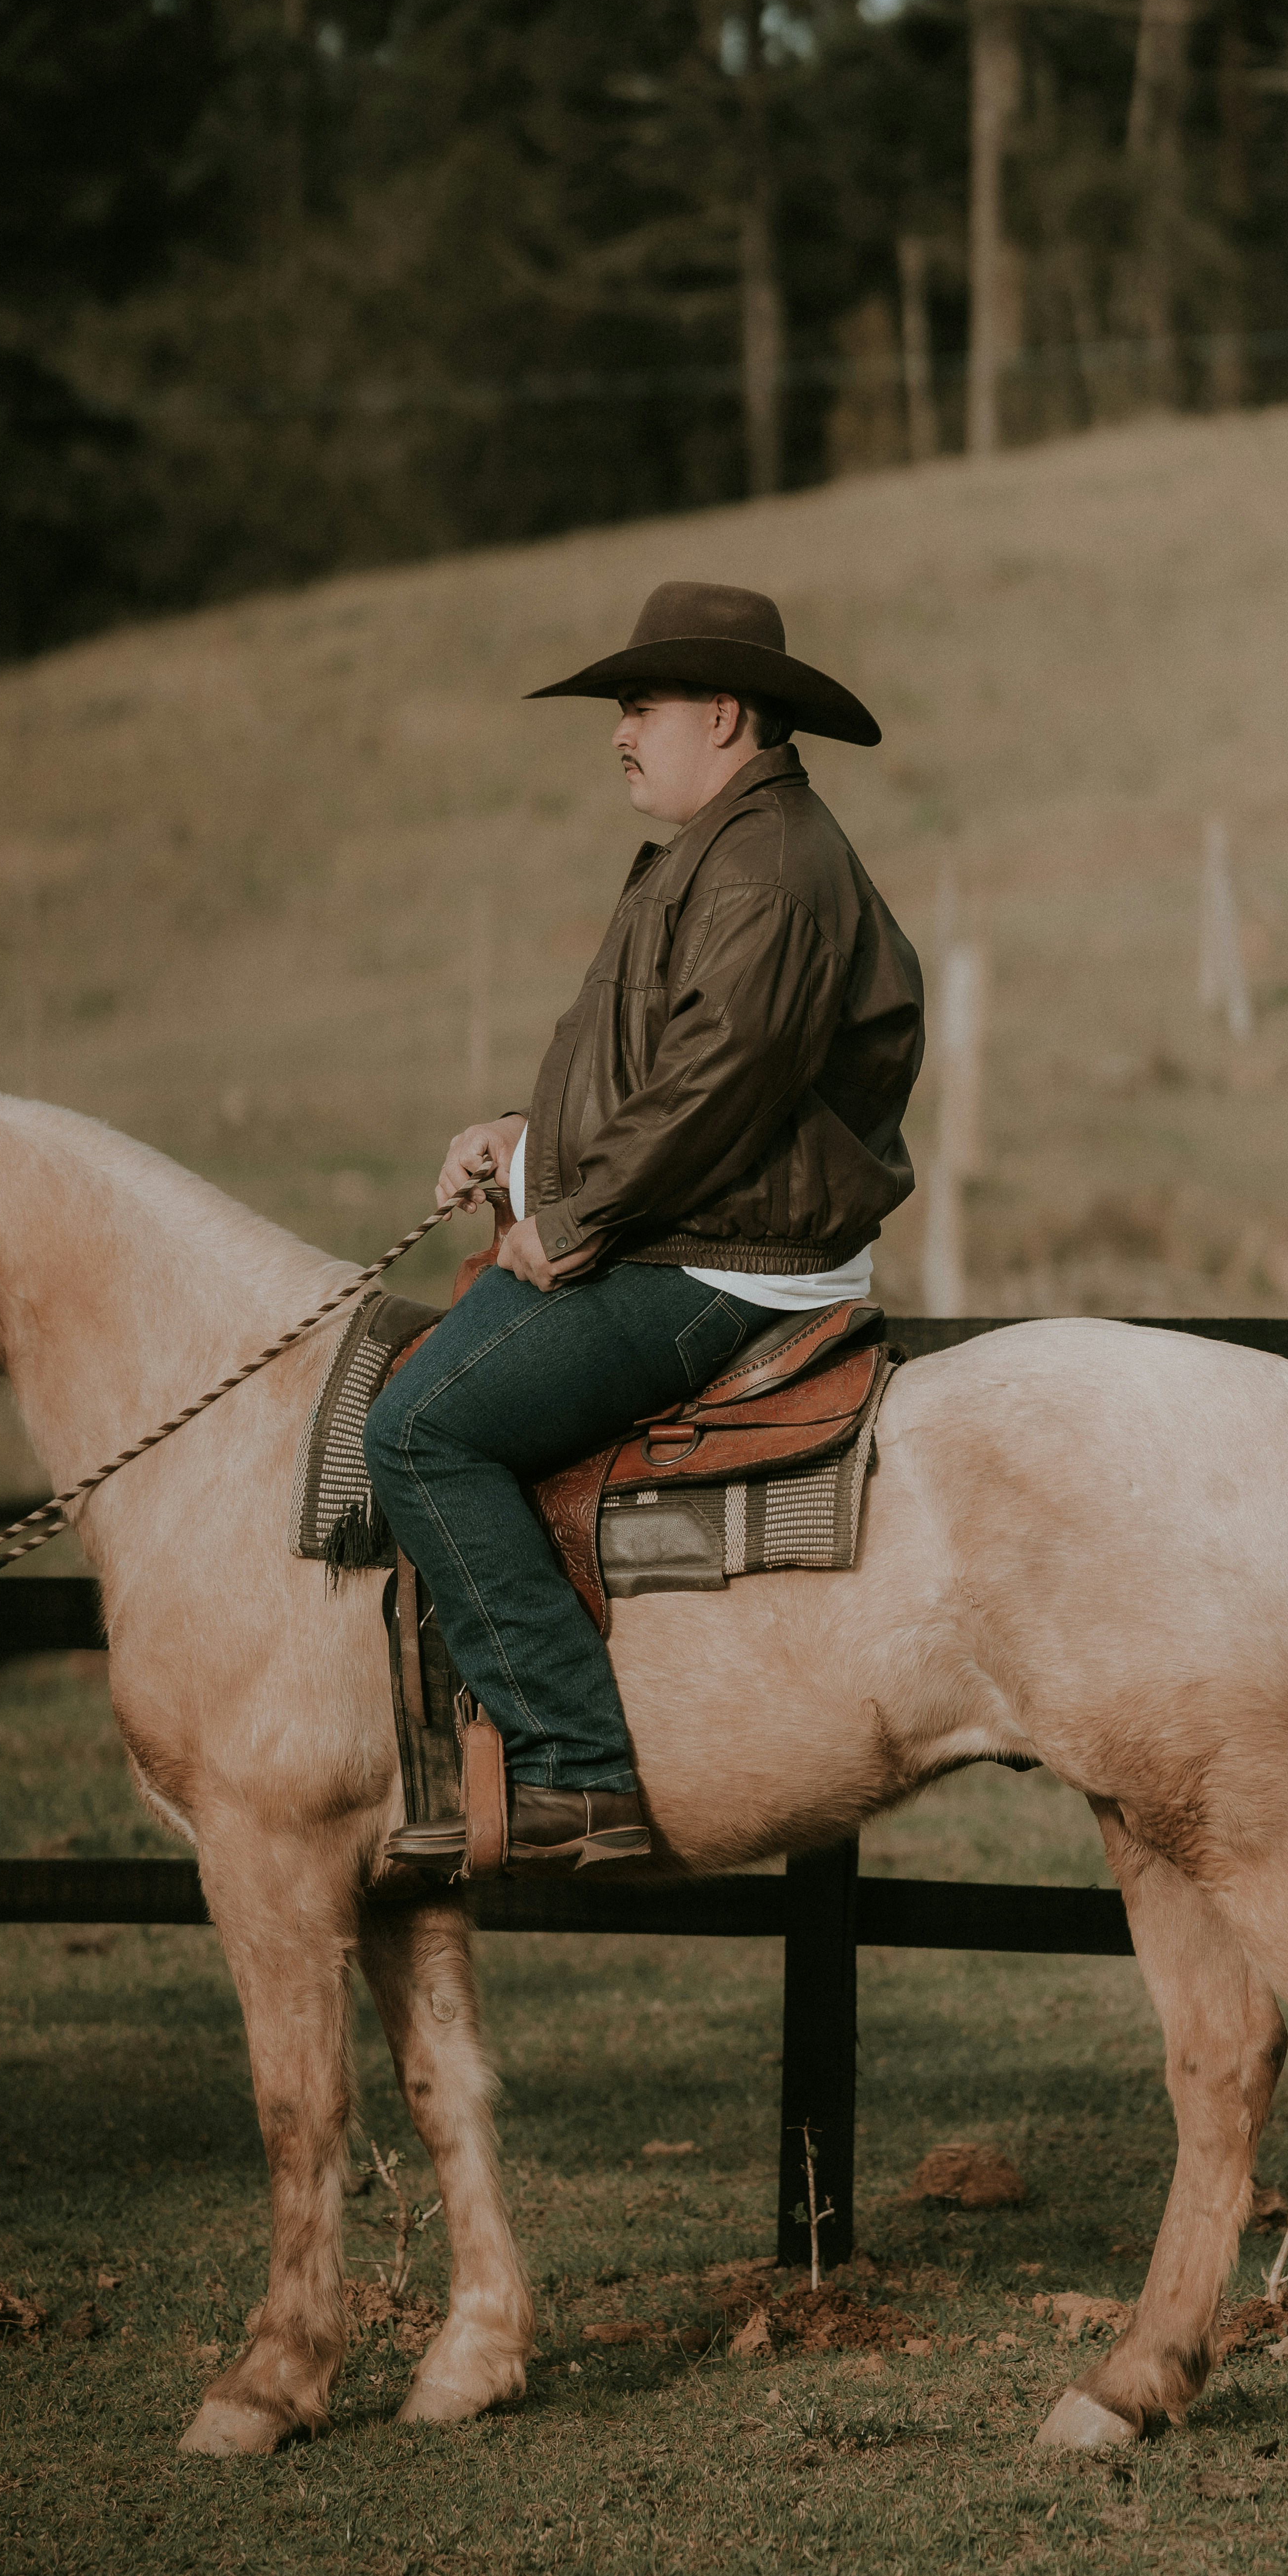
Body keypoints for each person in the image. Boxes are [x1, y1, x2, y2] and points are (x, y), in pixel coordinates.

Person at [364, 580, 925, 1874]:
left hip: (726, 1263)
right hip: (692, 1224)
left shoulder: (771, 873)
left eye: (638, 708)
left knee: (421, 1428)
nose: (619, 734)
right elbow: (648, 1071)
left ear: (722, 714)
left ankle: (574, 1766)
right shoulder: (729, 853)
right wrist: (523, 1146)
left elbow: (714, 1088)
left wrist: (567, 1217)